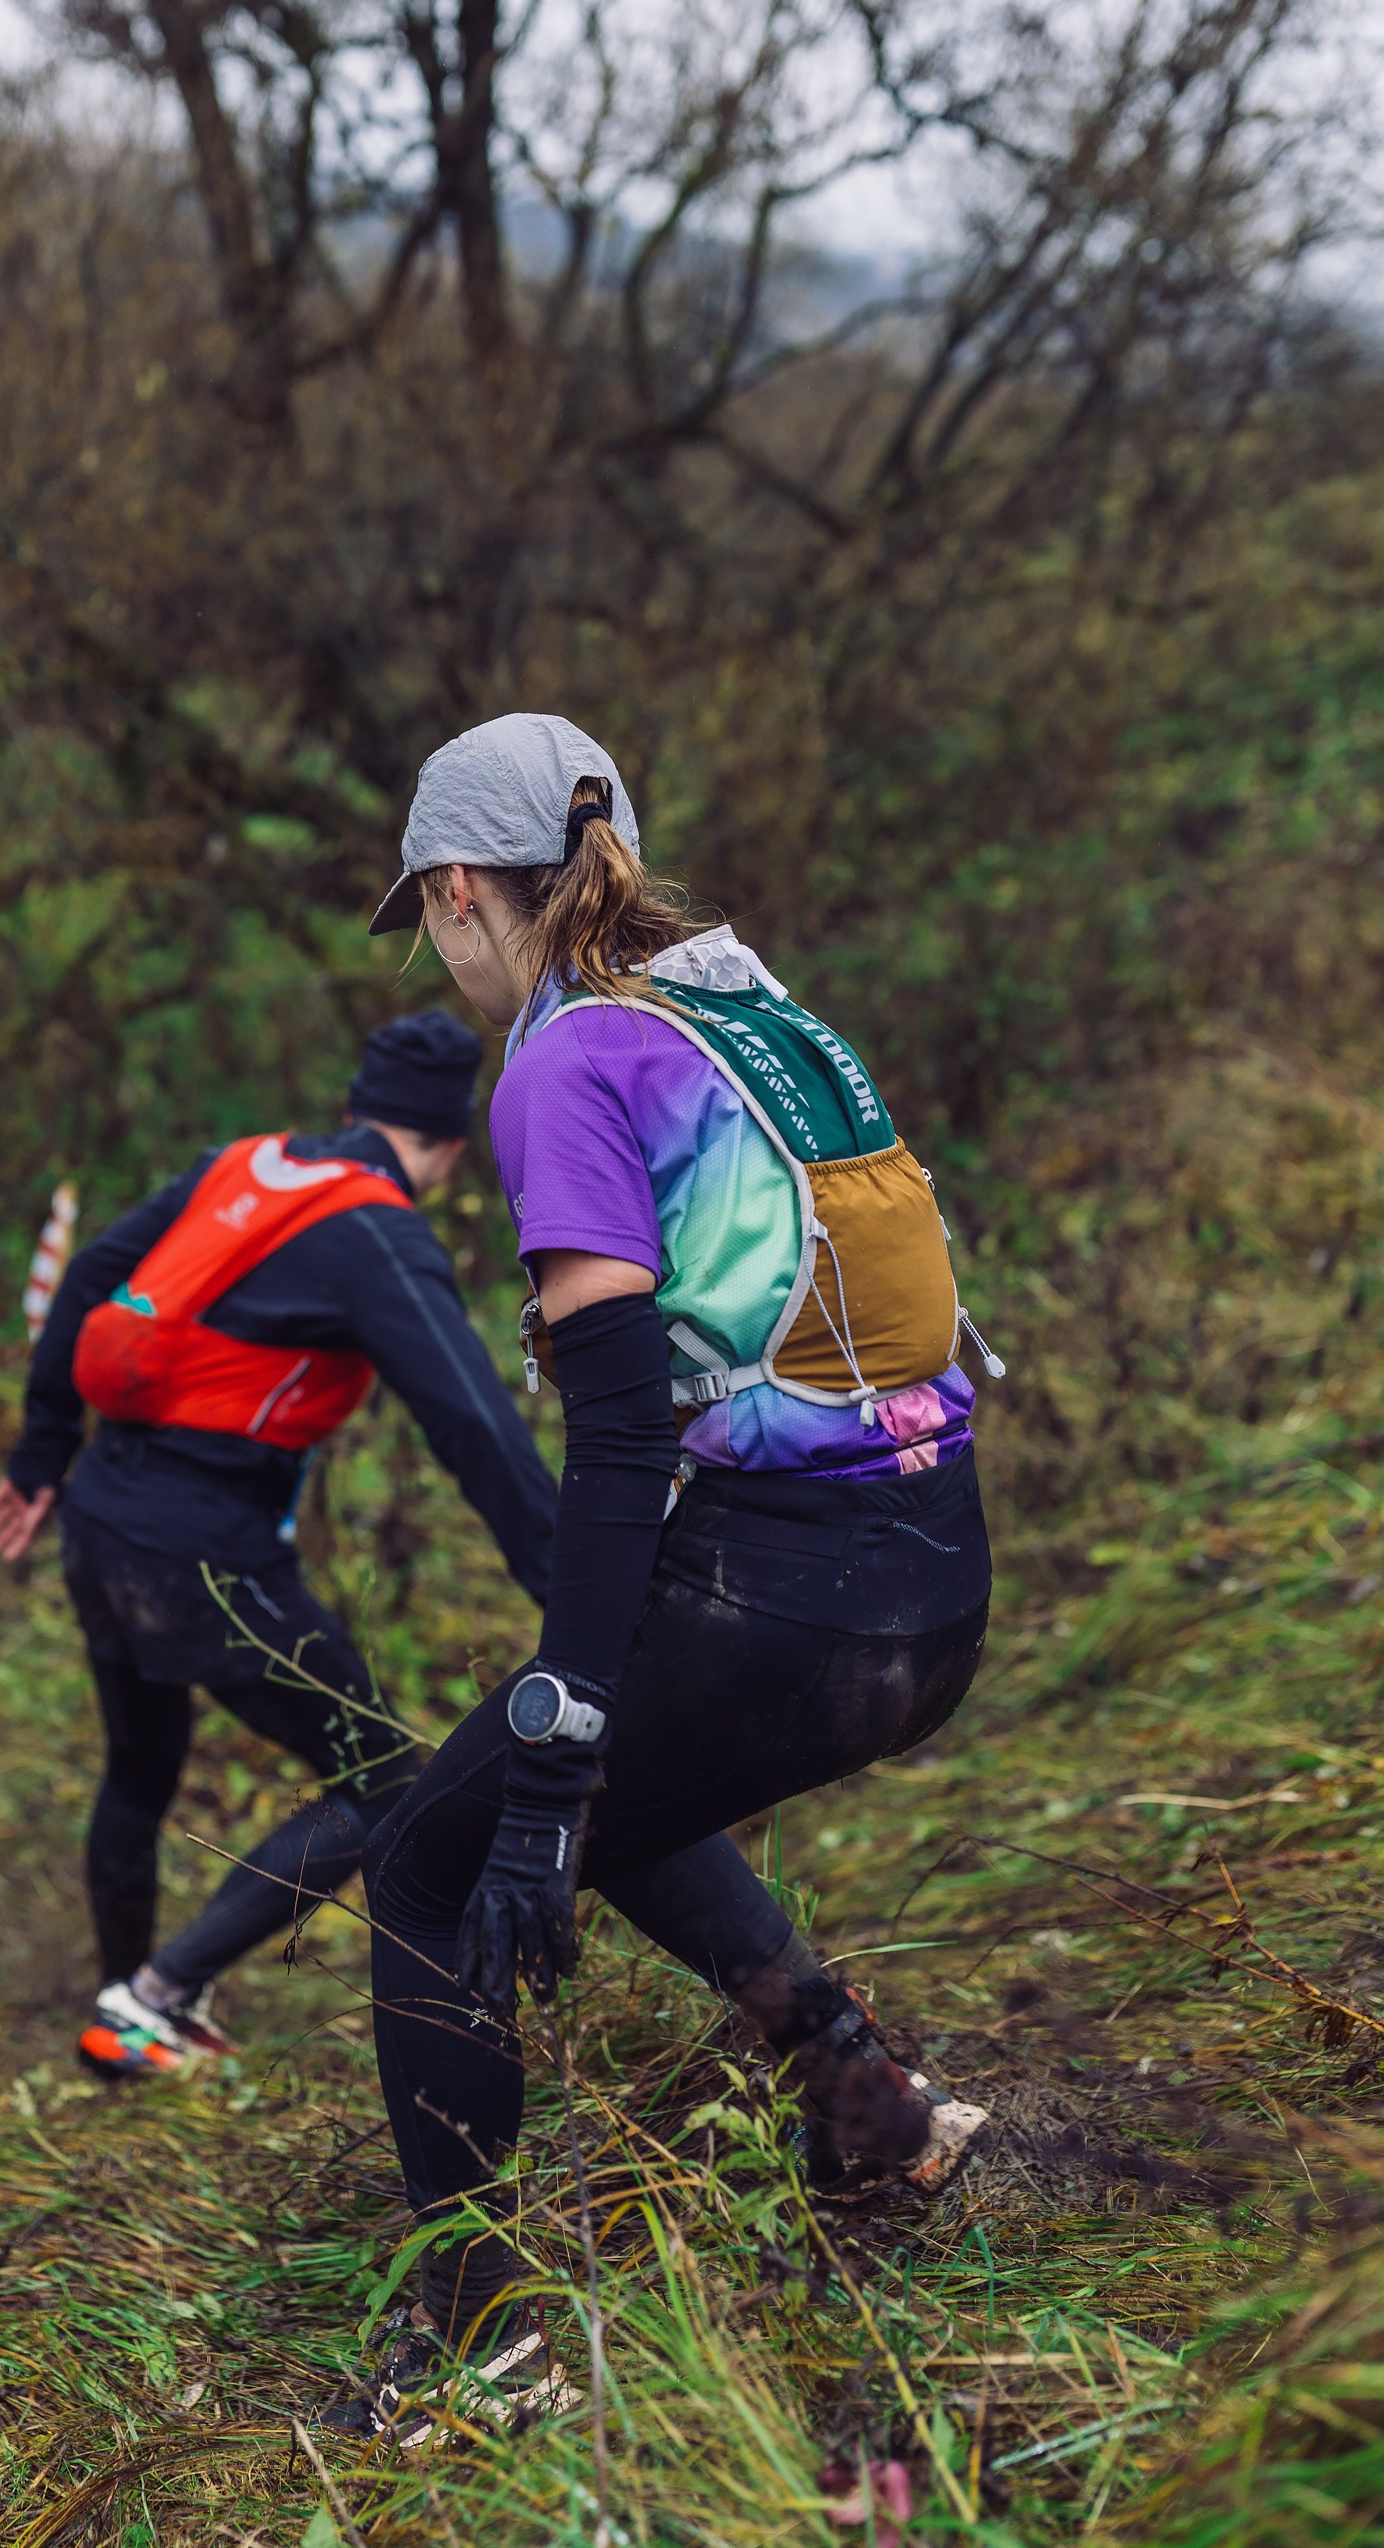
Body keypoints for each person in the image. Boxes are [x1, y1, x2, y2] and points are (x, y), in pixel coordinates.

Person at [329, 713, 995, 2439]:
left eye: (433, 923)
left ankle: (481, 2352)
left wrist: (546, 1762)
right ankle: (878, 2112)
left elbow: (620, 1440)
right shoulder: (753, 1005)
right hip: (933, 1586)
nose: (444, 957)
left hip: (788, 1605)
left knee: (428, 1857)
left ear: (463, 893)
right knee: (624, 1760)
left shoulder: (563, 1063)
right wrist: (575, 1744)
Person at [0, 1010, 557, 2080]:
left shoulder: (244, 1165)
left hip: (102, 1521)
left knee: (137, 1772)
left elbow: (86, 1282)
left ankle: (129, 2008)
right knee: (384, 1775)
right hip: (199, 1555)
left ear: (350, 1109)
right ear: (450, 1142)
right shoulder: (379, 1231)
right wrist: (574, 1593)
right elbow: (472, 1425)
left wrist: (39, 1459)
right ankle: (149, 2002)